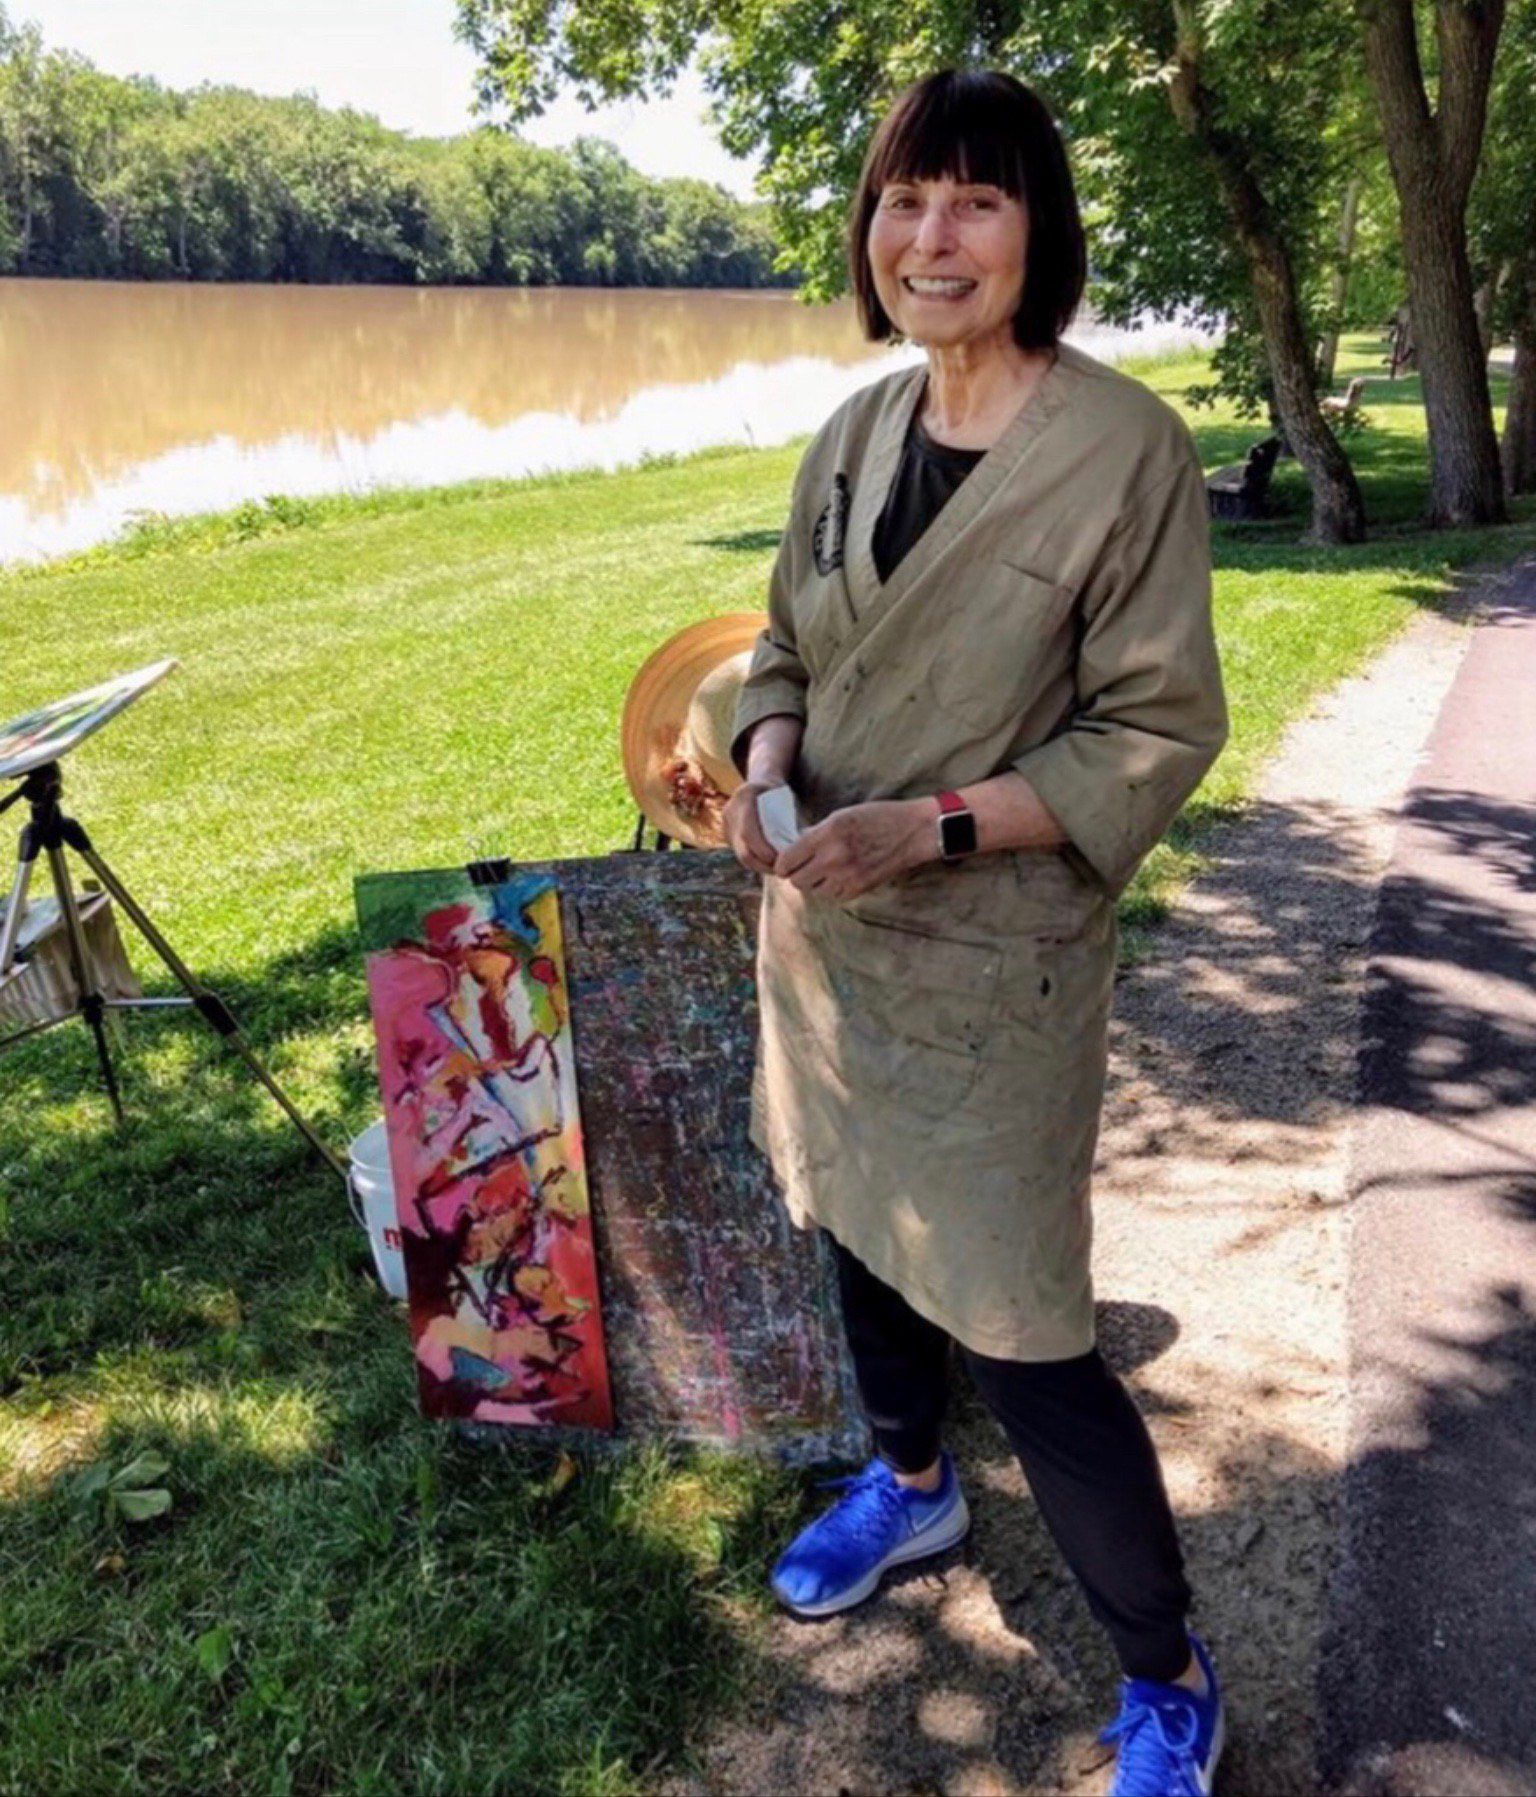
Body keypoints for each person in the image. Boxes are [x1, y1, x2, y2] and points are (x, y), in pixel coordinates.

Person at [722, 69, 1230, 1797]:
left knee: (1026, 1321)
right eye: (903, 199)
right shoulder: (854, 433)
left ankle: (1166, 1672)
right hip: (828, 941)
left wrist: (928, 823)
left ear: (1038, 234)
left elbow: (1151, 732)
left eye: (977, 201)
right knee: (854, 1220)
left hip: (993, 958)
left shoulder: (1123, 451)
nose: (931, 237)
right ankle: (911, 1483)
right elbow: (781, 645)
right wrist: (770, 754)